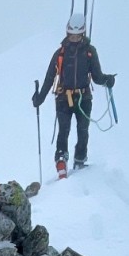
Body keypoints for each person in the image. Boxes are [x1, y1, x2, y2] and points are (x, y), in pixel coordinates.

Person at [33, 13, 116, 176]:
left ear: (83, 34)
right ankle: (61, 160)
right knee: (63, 129)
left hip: (84, 98)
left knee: (83, 129)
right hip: (64, 97)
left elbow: (97, 76)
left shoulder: (90, 52)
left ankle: (80, 160)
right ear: (67, 33)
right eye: (72, 35)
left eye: (77, 36)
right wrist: (39, 98)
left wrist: (108, 80)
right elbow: (50, 77)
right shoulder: (60, 54)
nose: (74, 38)